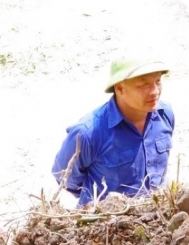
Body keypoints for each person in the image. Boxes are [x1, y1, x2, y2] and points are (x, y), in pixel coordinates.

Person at [52, 57, 174, 206]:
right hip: (108, 224)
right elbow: (66, 178)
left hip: (156, 216)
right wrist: (97, 202)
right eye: (144, 84)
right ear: (120, 88)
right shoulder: (87, 133)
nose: (155, 91)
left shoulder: (164, 114)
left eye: (158, 81)